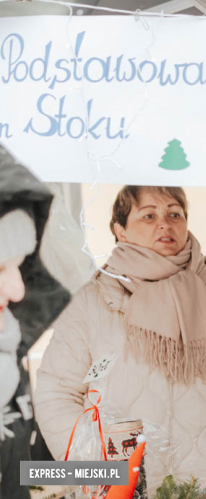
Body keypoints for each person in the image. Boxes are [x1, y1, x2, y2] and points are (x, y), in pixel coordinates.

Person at [35, 185, 206, 489]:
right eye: (148, 215)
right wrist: (96, 468)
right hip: (122, 485)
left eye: (175, 213)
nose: (165, 223)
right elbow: (57, 392)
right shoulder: (91, 301)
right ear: (121, 230)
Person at [0, 145, 71, 499]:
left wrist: (103, 469)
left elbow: (19, 473)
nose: (17, 289)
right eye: (0, 267)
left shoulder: (6, 351)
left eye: (20, 264)